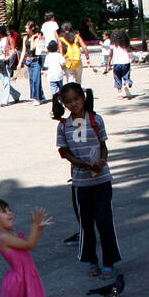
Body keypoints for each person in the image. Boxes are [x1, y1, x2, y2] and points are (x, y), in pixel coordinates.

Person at [54, 84, 120, 278]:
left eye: (76, 99)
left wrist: (102, 161)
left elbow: (103, 146)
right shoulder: (63, 125)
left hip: (102, 180)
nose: (73, 104)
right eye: (68, 101)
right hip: (80, 183)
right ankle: (91, 260)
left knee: (104, 221)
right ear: (64, 104)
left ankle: (109, 261)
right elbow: (64, 152)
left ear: (83, 98)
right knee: (86, 224)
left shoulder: (95, 119)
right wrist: (81, 164)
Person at [0, 23, 21, 106]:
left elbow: (13, 50)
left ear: (1, 30)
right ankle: (16, 95)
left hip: (6, 62)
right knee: (4, 82)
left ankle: (4, 101)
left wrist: (8, 57)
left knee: (6, 81)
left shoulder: (8, 39)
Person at [108, 28, 134, 98]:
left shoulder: (113, 45)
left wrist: (108, 64)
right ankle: (127, 84)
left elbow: (110, 55)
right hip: (126, 62)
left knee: (117, 77)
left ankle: (120, 93)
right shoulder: (125, 44)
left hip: (116, 63)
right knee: (126, 76)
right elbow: (130, 49)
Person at [24, 21, 46, 104]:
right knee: (32, 79)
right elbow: (24, 50)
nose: (26, 29)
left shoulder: (37, 37)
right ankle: (39, 96)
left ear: (32, 28)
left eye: (27, 28)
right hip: (29, 60)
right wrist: (20, 63)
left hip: (36, 60)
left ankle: (37, 98)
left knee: (36, 79)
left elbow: (33, 47)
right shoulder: (25, 38)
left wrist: (33, 38)